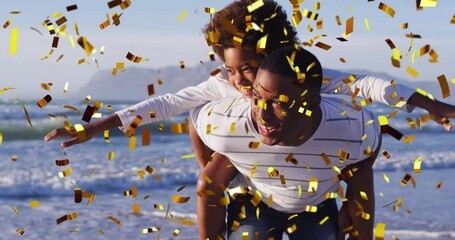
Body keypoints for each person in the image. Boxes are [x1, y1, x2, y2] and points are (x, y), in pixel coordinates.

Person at [43, 0, 455, 238]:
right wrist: (95, 126)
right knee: (205, 154)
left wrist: (430, 105)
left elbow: (371, 85)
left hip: (313, 158)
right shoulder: (224, 86)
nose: (240, 81)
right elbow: (165, 104)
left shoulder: (306, 78)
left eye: (249, 68)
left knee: (359, 166)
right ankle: (228, 200)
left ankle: (346, 221)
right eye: (231, 70)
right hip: (248, 157)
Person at [191, 45, 382, 240]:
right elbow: (195, 118)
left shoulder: (349, 126)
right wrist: (206, 164)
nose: (262, 114)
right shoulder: (228, 124)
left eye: (278, 102)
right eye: (257, 97)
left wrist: (350, 205)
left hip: (316, 204)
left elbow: (367, 157)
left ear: (312, 103)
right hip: (253, 202)